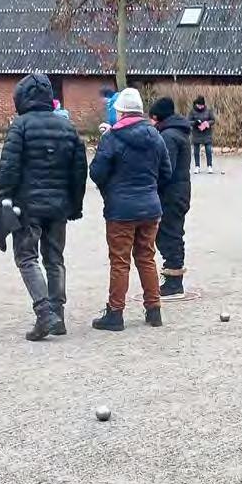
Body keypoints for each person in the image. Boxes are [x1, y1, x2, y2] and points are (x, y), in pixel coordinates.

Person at [0, 73, 88, 341]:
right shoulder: (68, 127)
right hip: (59, 206)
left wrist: (2, 197)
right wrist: (75, 205)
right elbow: (79, 171)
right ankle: (57, 314)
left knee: (26, 257)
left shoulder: (20, 126)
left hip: (28, 206)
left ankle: (45, 313)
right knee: (55, 259)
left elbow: (9, 166)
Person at [89, 88, 173, 331]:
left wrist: (112, 188)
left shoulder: (111, 138)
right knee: (146, 258)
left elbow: (96, 173)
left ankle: (115, 313)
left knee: (120, 261)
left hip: (120, 210)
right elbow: (166, 172)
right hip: (150, 208)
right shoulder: (156, 136)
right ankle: (154, 310)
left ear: (121, 112)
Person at [148, 97, 192, 297]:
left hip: (171, 194)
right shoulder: (177, 132)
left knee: (169, 234)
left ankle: (174, 281)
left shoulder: (168, 136)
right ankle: (173, 277)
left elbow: (166, 169)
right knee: (172, 233)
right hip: (178, 192)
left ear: (157, 117)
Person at [188, 96, 216, 173]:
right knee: (196, 151)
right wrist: (195, 123)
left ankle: (209, 166)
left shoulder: (208, 111)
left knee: (208, 150)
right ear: (196, 104)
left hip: (207, 133)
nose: (200, 107)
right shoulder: (192, 111)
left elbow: (213, 120)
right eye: (199, 105)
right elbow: (188, 121)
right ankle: (197, 166)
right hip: (196, 133)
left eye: (202, 105)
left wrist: (207, 123)